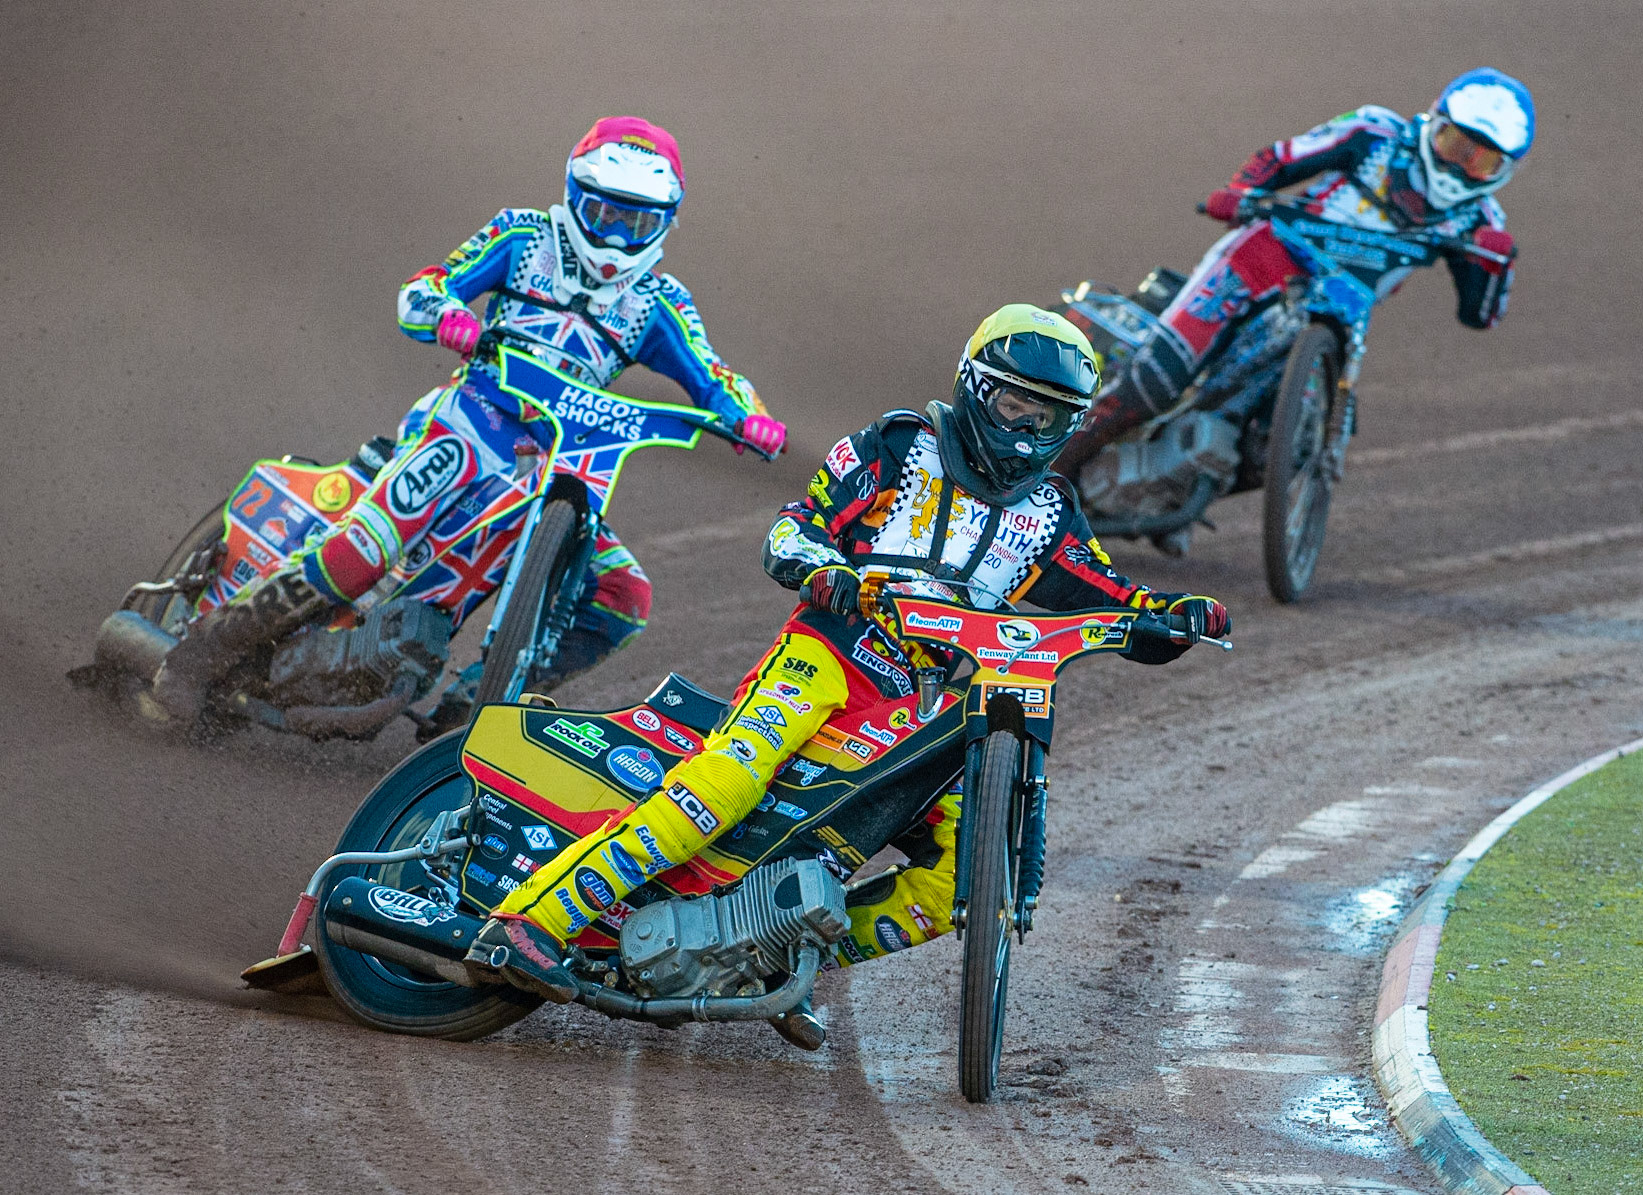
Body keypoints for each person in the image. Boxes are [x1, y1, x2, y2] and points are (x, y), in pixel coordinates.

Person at [463, 304, 1229, 1049]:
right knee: (725, 785)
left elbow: (1115, 601)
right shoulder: (899, 445)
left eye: (1048, 417)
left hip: (918, 703)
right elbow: (793, 527)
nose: (1026, 429)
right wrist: (828, 571)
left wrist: (1177, 615)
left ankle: (766, 959)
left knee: (950, 884)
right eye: (1013, 403)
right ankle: (531, 921)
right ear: (972, 385)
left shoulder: (1052, 512)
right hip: (827, 652)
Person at [151, 117, 788, 730]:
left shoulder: (660, 301)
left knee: (624, 597)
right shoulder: (522, 236)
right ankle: (197, 656)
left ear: (665, 223)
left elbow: (714, 375)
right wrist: (448, 314)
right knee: (371, 544)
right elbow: (426, 287)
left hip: (561, 460)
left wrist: (749, 417)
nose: (618, 237)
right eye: (605, 214)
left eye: (637, 221)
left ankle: (465, 717)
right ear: (575, 197)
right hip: (468, 421)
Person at [1056, 68, 1534, 530]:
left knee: (1287, 442)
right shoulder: (1374, 133)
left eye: (1481, 160)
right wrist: (1241, 191)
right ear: (1435, 123)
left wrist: (1496, 265)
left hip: (1337, 315)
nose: (1460, 166)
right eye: (1456, 145)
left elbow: (1481, 316)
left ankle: (1169, 487)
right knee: (1158, 378)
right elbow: (1283, 157)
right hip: (1258, 261)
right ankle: (1048, 478)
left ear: (1503, 170)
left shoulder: (1483, 222)